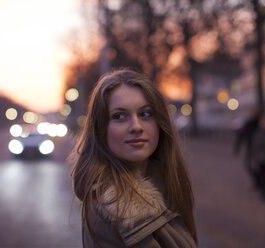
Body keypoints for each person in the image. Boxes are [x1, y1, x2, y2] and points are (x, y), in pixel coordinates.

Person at [71, 69, 197, 247]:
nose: (136, 126)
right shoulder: (109, 212)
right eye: (119, 116)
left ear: (160, 122)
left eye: (145, 114)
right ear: (101, 130)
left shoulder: (168, 185)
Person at [234, 108, 261, 186]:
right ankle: (257, 179)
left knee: (260, 165)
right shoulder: (249, 123)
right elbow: (242, 135)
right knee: (249, 165)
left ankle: (260, 181)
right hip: (251, 147)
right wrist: (237, 147)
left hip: (260, 149)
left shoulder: (261, 123)